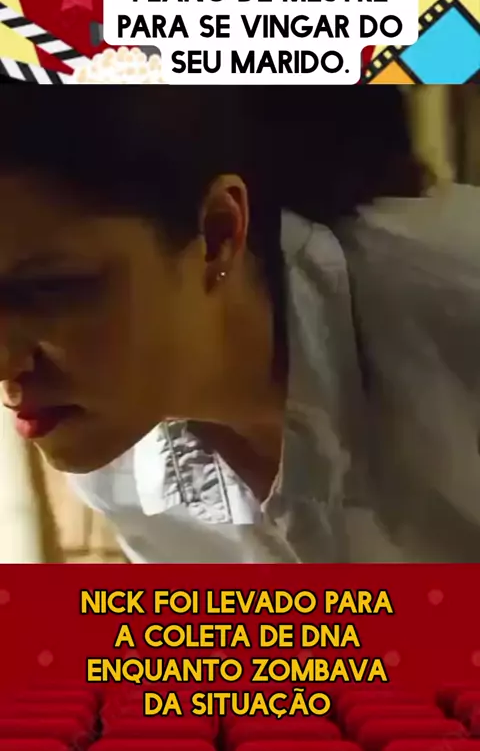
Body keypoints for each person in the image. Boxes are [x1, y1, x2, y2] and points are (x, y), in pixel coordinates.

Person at [0, 86, 478, 563]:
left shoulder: (454, 314)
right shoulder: (117, 455)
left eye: (51, 288)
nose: (6, 366)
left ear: (218, 234)